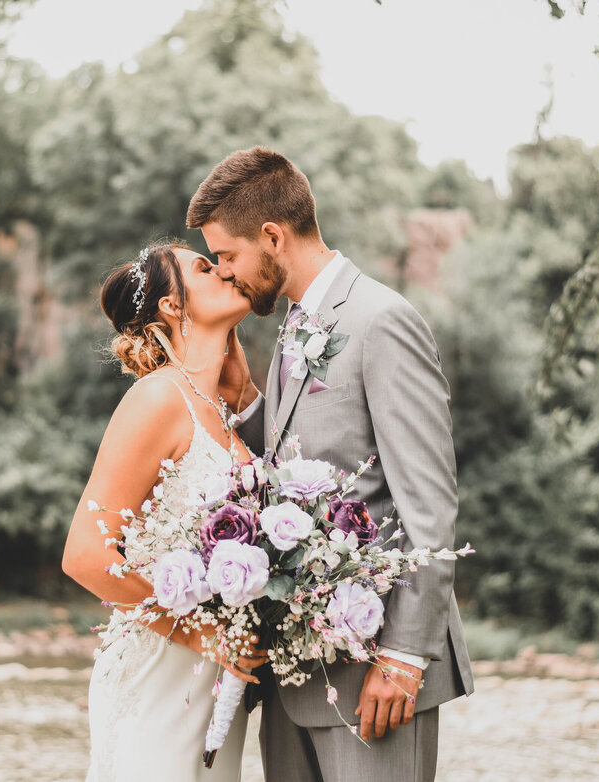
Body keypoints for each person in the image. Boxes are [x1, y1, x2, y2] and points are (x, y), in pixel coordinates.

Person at [188, 146, 474, 782]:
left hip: (377, 669)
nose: (225, 274)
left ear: (272, 236)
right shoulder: (293, 324)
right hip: (298, 672)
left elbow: (428, 501)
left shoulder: (382, 320)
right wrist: (247, 402)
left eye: (228, 256)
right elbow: (305, 460)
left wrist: (403, 654)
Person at [62, 242, 268, 781]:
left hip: (217, 681)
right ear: (172, 307)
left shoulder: (223, 416)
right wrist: (200, 634)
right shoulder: (157, 399)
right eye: (204, 267)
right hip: (163, 669)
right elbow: (85, 554)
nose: (224, 269)